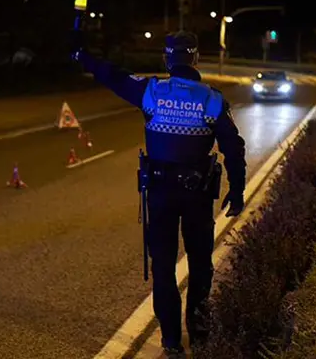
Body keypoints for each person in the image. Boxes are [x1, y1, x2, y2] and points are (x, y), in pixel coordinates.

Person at [73, 31, 246, 357]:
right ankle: (198, 334)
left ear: (167, 59)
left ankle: (170, 341)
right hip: (197, 198)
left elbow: (113, 76)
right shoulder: (211, 99)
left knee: (164, 268)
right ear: (195, 59)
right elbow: (233, 149)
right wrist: (237, 191)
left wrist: (82, 56)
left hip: (161, 196)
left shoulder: (151, 91)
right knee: (200, 265)